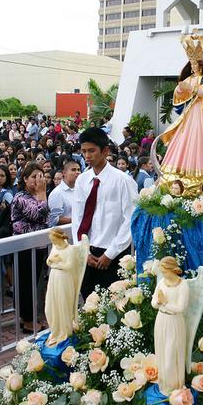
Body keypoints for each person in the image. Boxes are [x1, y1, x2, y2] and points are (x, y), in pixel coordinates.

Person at [157, 33, 203, 196]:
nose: (192, 67)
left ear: (201, 64)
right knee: (183, 141)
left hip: (202, 115)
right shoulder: (190, 78)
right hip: (189, 116)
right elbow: (180, 100)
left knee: (200, 142)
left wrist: (191, 89)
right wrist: (179, 90)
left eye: (195, 64)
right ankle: (178, 179)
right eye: (191, 64)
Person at [72, 128, 138, 299]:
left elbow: (130, 219)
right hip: (88, 252)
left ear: (106, 151)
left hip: (113, 254)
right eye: (84, 151)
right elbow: (77, 218)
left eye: (92, 150)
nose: (87, 155)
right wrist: (83, 251)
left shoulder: (123, 181)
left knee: (113, 306)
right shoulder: (82, 180)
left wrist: (110, 253)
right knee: (88, 302)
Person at [11, 162, 49, 333]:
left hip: (38, 246)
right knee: (25, 284)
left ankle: (28, 316)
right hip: (24, 247)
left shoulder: (38, 196)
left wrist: (41, 194)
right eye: (34, 177)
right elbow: (39, 215)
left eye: (40, 176)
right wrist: (42, 192)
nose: (38, 180)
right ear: (24, 179)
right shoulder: (20, 197)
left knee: (34, 283)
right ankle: (26, 320)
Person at [151, 256, 189, 395]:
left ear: (172, 270)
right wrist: (158, 302)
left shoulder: (183, 285)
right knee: (161, 354)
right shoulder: (161, 282)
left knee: (171, 357)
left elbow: (181, 308)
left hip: (174, 323)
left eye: (165, 271)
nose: (163, 274)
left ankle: (175, 388)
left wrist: (165, 302)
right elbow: (153, 302)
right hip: (161, 320)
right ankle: (165, 387)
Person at [45, 228, 89, 347]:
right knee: (51, 306)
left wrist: (57, 262)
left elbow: (69, 266)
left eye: (54, 240)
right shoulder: (55, 247)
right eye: (52, 241)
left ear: (60, 238)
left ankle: (64, 332)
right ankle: (55, 331)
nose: (53, 243)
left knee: (63, 305)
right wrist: (53, 261)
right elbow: (48, 262)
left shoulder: (71, 250)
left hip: (64, 280)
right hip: (54, 278)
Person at [48, 160, 81, 227]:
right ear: (64, 173)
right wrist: (77, 220)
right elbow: (54, 219)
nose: (77, 172)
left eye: (78, 170)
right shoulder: (57, 193)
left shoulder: (80, 189)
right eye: (73, 170)